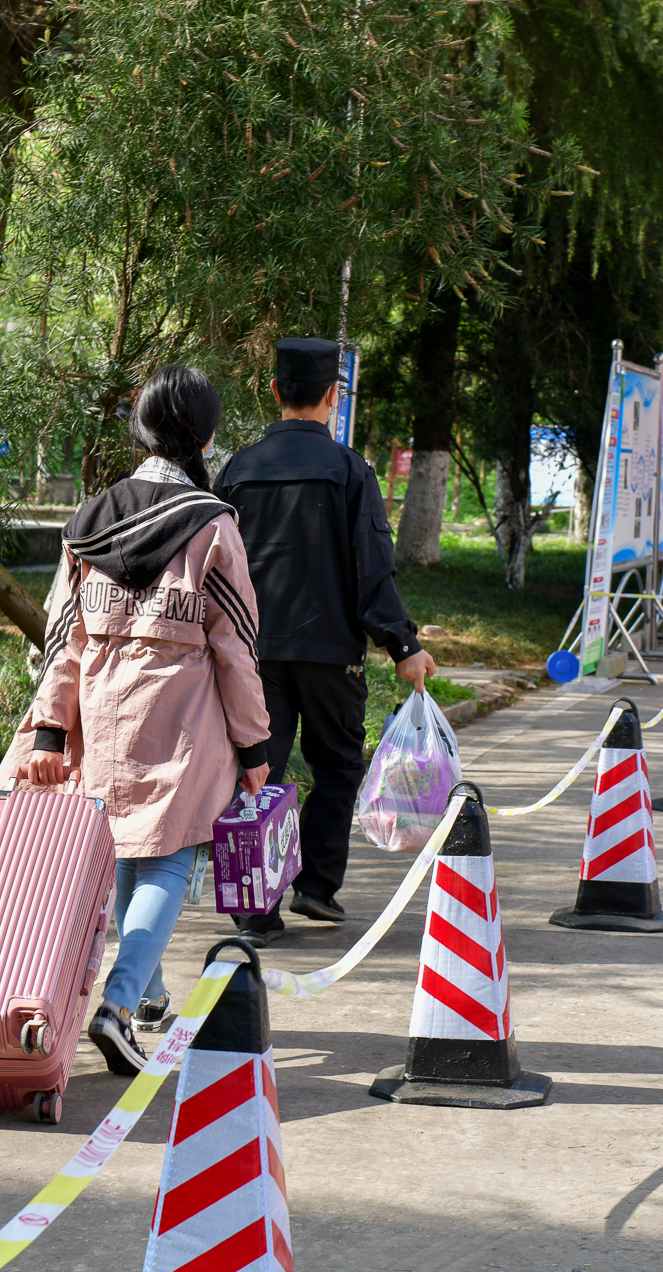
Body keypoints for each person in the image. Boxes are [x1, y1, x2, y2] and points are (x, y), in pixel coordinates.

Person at [15, 366, 272, 1075]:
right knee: (166, 854)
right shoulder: (213, 525)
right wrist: (254, 743)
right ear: (207, 433)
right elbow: (235, 646)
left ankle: (149, 995)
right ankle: (119, 1003)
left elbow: (62, 633)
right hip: (182, 714)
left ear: (141, 430)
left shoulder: (91, 518)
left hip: (101, 707)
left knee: (129, 845)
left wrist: (47, 728)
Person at [213, 338, 436, 945]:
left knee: (255, 773)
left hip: (251, 655)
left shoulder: (236, 470)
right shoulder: (349, 470)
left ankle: (254, 909)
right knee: (337, 768)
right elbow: (373, 567)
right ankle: (316, 886)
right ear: (334, 397)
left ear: (276, 391)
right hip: (332, 654)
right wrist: (402, 644)